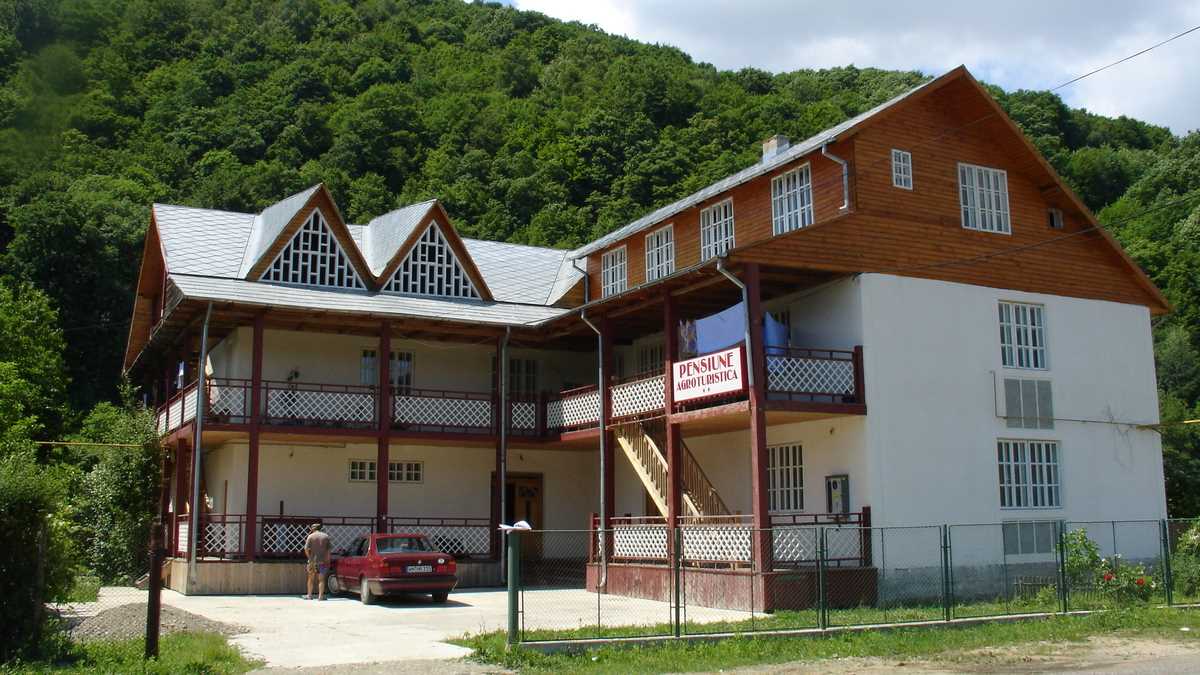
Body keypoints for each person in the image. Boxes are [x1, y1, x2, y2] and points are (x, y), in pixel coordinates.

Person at [303, 523, 332, 600]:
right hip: (322, 561)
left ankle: (309, 596)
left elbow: (305, 549)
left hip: (312, 561)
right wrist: (328, 560)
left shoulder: (310, 536)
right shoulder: (326, 537)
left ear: (313, 529)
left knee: (310, 579)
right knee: (322, 579)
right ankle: (320, 597)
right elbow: (328, 551)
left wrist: (309, 557)